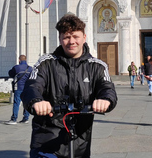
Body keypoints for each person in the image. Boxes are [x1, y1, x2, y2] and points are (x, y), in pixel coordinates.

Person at [22, 14, 118, 158]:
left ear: (84, 37)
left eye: (75, 36)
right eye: (66, 37)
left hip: (80, 140)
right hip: (47, 139)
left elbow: (107, 87)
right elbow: (32, 86)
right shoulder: (45, 63)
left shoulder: (97, 66)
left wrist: (105, 99)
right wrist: (37, 101)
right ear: (60, 39)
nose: (71, 41)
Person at [6, 55, 32, 125]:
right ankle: (26, 118)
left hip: (18, 87)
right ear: (26, 60)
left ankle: (14, 119)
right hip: (27, 88)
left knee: (16, 103)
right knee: (26, 103)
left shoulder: (16, 68)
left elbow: (10, 74)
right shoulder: (30, 68)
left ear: (19, 60)